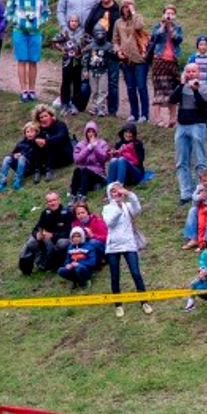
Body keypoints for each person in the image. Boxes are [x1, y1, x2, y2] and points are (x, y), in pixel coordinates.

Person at [102, 182, 152, 317]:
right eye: (113, 191)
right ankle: (118, 304)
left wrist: (129, 194)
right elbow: (110, 223)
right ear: (109, 194)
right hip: (113, 247)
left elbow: (138, 208)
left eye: (118, 190)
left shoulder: (127, 206)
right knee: (115, 276)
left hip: (129, 244)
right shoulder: (107, 208)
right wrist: (118, 207)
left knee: (136, 273)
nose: (116, 193)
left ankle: (144, 301)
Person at [170, 62, 207, 205]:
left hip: (197, 125)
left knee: (200, 160)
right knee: (181, 161)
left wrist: (195, 90)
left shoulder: (206, 87)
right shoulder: (182, 87)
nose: (190, 74)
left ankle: (201, 190)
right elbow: (172, 99)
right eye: (188, 71)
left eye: (193, 71)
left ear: (199, 73)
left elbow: (204, 106)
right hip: (182, 126)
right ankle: (185, 193)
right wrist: (182, 84)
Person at [5, 0, 49, 102]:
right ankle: (23, 90)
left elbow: (46, 11)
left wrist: (39, 22)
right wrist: (17, 21)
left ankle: (32, 89)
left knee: (33, 61)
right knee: (22, 60)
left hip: (35, 32)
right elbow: (8, 12)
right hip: (20, 32)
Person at [83, 0, 121, 115]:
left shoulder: (117, 10)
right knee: (96, 81)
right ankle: (96, 106)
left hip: (111, 48)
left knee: (112, 82)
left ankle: (112, 109)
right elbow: (87, 25)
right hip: (97, 48)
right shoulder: (96, 8)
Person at [112, 0, 149, 123]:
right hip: (126, 59)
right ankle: (134, 113)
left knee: (141, 86)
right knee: (130, 87)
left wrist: (133, 12)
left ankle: (145, 114)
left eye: (129, 6)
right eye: (125, 6)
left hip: (139, 59)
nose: (126, 8)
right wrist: (118, 51)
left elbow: (139, 26)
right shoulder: (118, 22)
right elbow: (115, 40)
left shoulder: (137, 18)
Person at [18, 190, 74, 274]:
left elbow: (72, 232)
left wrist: (53, 235)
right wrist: (37, 234)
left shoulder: (68, 212)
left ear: (59, 200)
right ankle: (38, 264)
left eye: (54, 200)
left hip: (64, 240)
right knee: (31, 242)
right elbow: (36, 229)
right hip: (48, 241)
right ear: (47, 203)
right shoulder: (45, 213)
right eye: (49, 201)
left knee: (62, 243)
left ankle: (59, 265)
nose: (52, 203)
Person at [147, 5, 183, 127]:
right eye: (167, 13)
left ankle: (172, 119)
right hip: (159, 60)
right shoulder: (158, 26)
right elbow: (154, 38)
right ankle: (158, 119)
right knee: (159, 90)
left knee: (173, 91)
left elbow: (178, 40)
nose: (169, 15)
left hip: (172, 61)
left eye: (172, 13)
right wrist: (163, 26)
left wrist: (170, 28)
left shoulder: (177, 27)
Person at [51, 13, 87, 115]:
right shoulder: (65, 31)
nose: (74, 23)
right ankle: (64, 104)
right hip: (67, 62)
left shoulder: (82, 32)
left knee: (77, 82)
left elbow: (90, 43)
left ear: (78, 22)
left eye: (76, 21)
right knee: (66, 82)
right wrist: (62, 49)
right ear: (69, 22)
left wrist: (82, 50)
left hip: (78, 61)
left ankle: (75, 104)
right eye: (72, 21)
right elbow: (54, 41)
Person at [186, 35, 207, 134]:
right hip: (196, 86)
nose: (203, 47)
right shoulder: (192, 58)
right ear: (197, 46)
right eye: (201, 44)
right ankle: (197, 123)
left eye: (205, 44)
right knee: (196, 105)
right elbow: (187, 71)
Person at [0, 120, 39, 193]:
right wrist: (14, 155)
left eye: (32, 131)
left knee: (22, 157)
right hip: (19, 166)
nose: (29, 134)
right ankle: (2, 181)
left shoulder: (36, 142)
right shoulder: (21, 143)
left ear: (36, 132)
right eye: (27, 132)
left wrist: (21, 154)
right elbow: (13, 153)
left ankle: (18, 180)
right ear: (25, 133)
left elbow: (33, 153)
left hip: (30, 167)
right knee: (7, 158)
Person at [32, 104, 74, 180]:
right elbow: (30, 137)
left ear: (51, 115)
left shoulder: (60, 124)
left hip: (65, 155)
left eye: (46, 116)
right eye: (41, 117)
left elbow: (61, 136)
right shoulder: (40, 128)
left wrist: (46, 141)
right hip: (52, 158)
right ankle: (38, 170)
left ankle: (49, 170)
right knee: (36, 143)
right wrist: (36, 139)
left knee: (51, 143)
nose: (44, 119)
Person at [69, 120, 109, 199]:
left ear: (96, 133)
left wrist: (95, 147)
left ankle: (83, 195)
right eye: (89, 132)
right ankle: (73, 195)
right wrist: (88, 148)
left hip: (98, 174)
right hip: (84, 173)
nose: (91, 134)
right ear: (86, 133)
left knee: (85, 170)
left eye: (93, 132)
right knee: (78, 170)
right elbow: (77, 160)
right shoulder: (80, 144)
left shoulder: (102, 143)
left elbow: (103, 158)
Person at [83, 23, 113, 116]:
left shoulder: (108, 46)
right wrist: (85, 70)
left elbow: (113, 57)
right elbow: (86, 59)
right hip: (92, 71)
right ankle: (94, 107)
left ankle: (101, 108)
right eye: (97, 33)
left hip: (103, 71)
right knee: (94, 90)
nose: (100, 36)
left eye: (102, 33)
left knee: (103, 90)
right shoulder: (90, 46)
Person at [105, 123, 145, 187]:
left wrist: (127, 151)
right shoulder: (119, 144)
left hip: (135, 173)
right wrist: (114, 154)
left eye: (130, 133)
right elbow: (116, 162)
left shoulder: (137, 144)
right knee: (113, 160)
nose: (128, 135)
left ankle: (119, 188)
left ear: (133, 134)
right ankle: (109, 188)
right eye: (126, 132)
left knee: (122, 159)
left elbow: (140, 160)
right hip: (124, 174)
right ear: (123, 133)